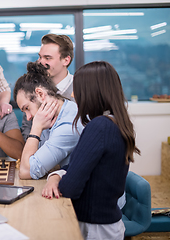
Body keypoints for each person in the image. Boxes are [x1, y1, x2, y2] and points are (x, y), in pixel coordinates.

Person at [42, 61, 140, 240]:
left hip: (96, 228)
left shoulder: (100, 127)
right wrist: (55, 176)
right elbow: (76, 168)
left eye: (77, 89)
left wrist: (60, 180)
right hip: (104, 223)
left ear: (92, 91)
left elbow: (70, 187)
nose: (72, 94)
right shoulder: (113, 122)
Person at [14, 62, 84, 180]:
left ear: (40, 94)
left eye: (27, 108)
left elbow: (26, 171)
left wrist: (36, 127)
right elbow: (32, 159)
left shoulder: (68, 124)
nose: (28, 117)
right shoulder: (50, 118)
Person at [21, 34, 74, 140]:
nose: (41, 62)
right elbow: (27, 130)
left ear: (66, 60)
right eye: (40, 57)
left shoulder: (81, 89)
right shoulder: (34, 89)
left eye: (47, 58)